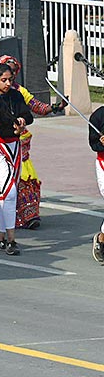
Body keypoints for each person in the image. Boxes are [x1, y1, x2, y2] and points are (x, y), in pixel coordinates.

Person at [0, 59, 33, 255]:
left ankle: (0, 237)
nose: (7, 84)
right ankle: (11, 239)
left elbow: (29, 115)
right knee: (9, 192)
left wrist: (22, 120)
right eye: (3, 80)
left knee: (8, 192)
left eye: (10, 80)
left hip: (14, 147)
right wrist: (17, 128)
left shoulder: (16, 96)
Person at [89, 102, 104, 264]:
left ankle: (102, 237)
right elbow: (93, 143)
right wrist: (101, 143)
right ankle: (101, 239)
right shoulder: (98, 116)